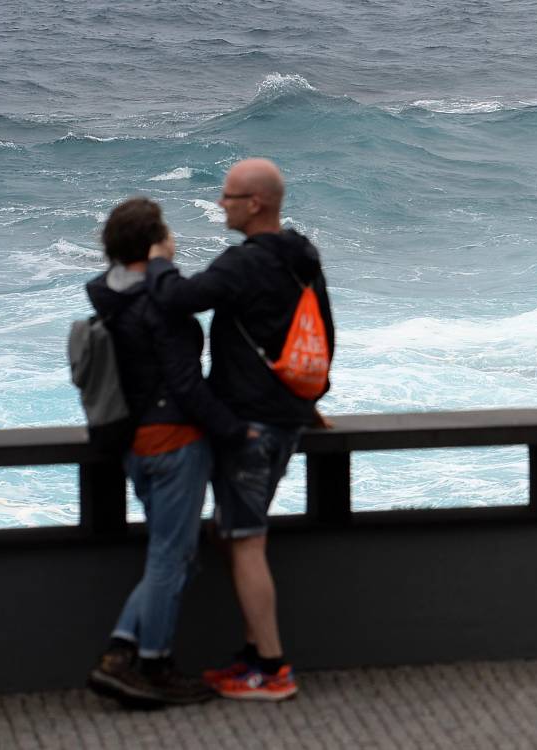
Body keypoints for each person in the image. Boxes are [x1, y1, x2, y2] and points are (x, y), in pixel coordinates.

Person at [145, 158, 335, 701]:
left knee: (247, 540)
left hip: (251, 426)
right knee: (231, 532)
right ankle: (252, 657)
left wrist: (160, 263)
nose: (220, 204)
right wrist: (304, 401)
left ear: (256, 204)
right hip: (284, 417)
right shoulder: (303, 260)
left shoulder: (244, 264)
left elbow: (178, 299)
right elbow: (325, 336)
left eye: (228, 196)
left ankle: (272, 668)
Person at [84, 197, 250, 707]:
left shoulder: (109, 297)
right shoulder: (159, 303)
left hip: (134, 443)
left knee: (174, 558)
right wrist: (234, 429)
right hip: (175, 442)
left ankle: (120, 654)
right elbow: (183, 382)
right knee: (170, 557)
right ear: (154, 243)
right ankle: (154, 665)